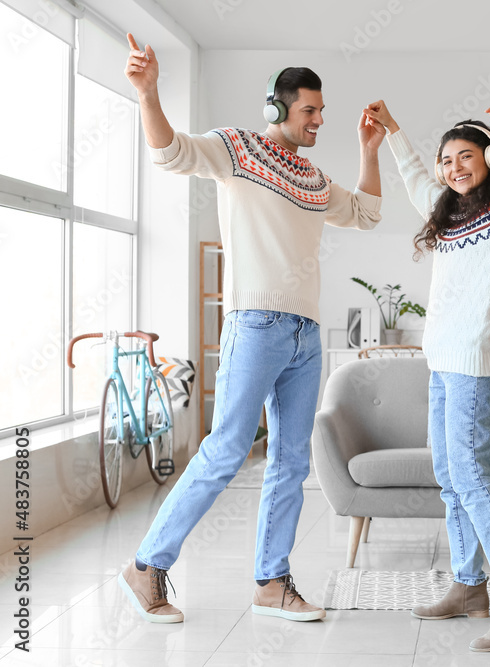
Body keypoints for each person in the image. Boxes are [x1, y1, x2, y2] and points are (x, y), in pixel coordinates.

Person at [118, 33, 384, 623]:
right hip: (255, 322)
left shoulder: (314, 180)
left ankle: (271, 582)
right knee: (227, 449)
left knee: (291, 460)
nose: (319, 120)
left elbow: (366, 214)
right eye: (309, 110)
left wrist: (370, 149)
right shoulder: (236, 148)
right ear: (278, 109)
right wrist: (148, 93)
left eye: (321, 111)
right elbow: (170, 152)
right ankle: (146, 567)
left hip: (305, 334)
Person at [362, 100, 490, 652]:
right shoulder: (446, 213)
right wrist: (395, 131)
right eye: (446, 159)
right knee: (450, 478)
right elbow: (413, 179)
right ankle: (469, 586)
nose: (453, 168)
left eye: (465, 157)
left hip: (473, 366)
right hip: (440, 363)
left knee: (470, 478)